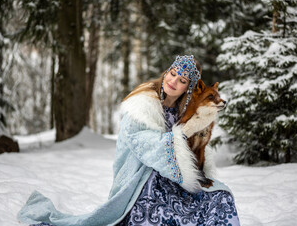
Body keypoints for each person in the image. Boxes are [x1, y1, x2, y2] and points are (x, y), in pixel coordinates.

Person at [18, 55, 240, 226]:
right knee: (157, 204)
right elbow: (146, 147)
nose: (173, 81)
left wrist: (199, 133)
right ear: (166, 72)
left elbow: (192, 150)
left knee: (220, 196)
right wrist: (183, 134)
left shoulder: (183, 110)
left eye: (182, 80)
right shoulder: (142, 105)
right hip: (140, 178)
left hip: (176, 178)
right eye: (172, 73)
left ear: (188, 88)